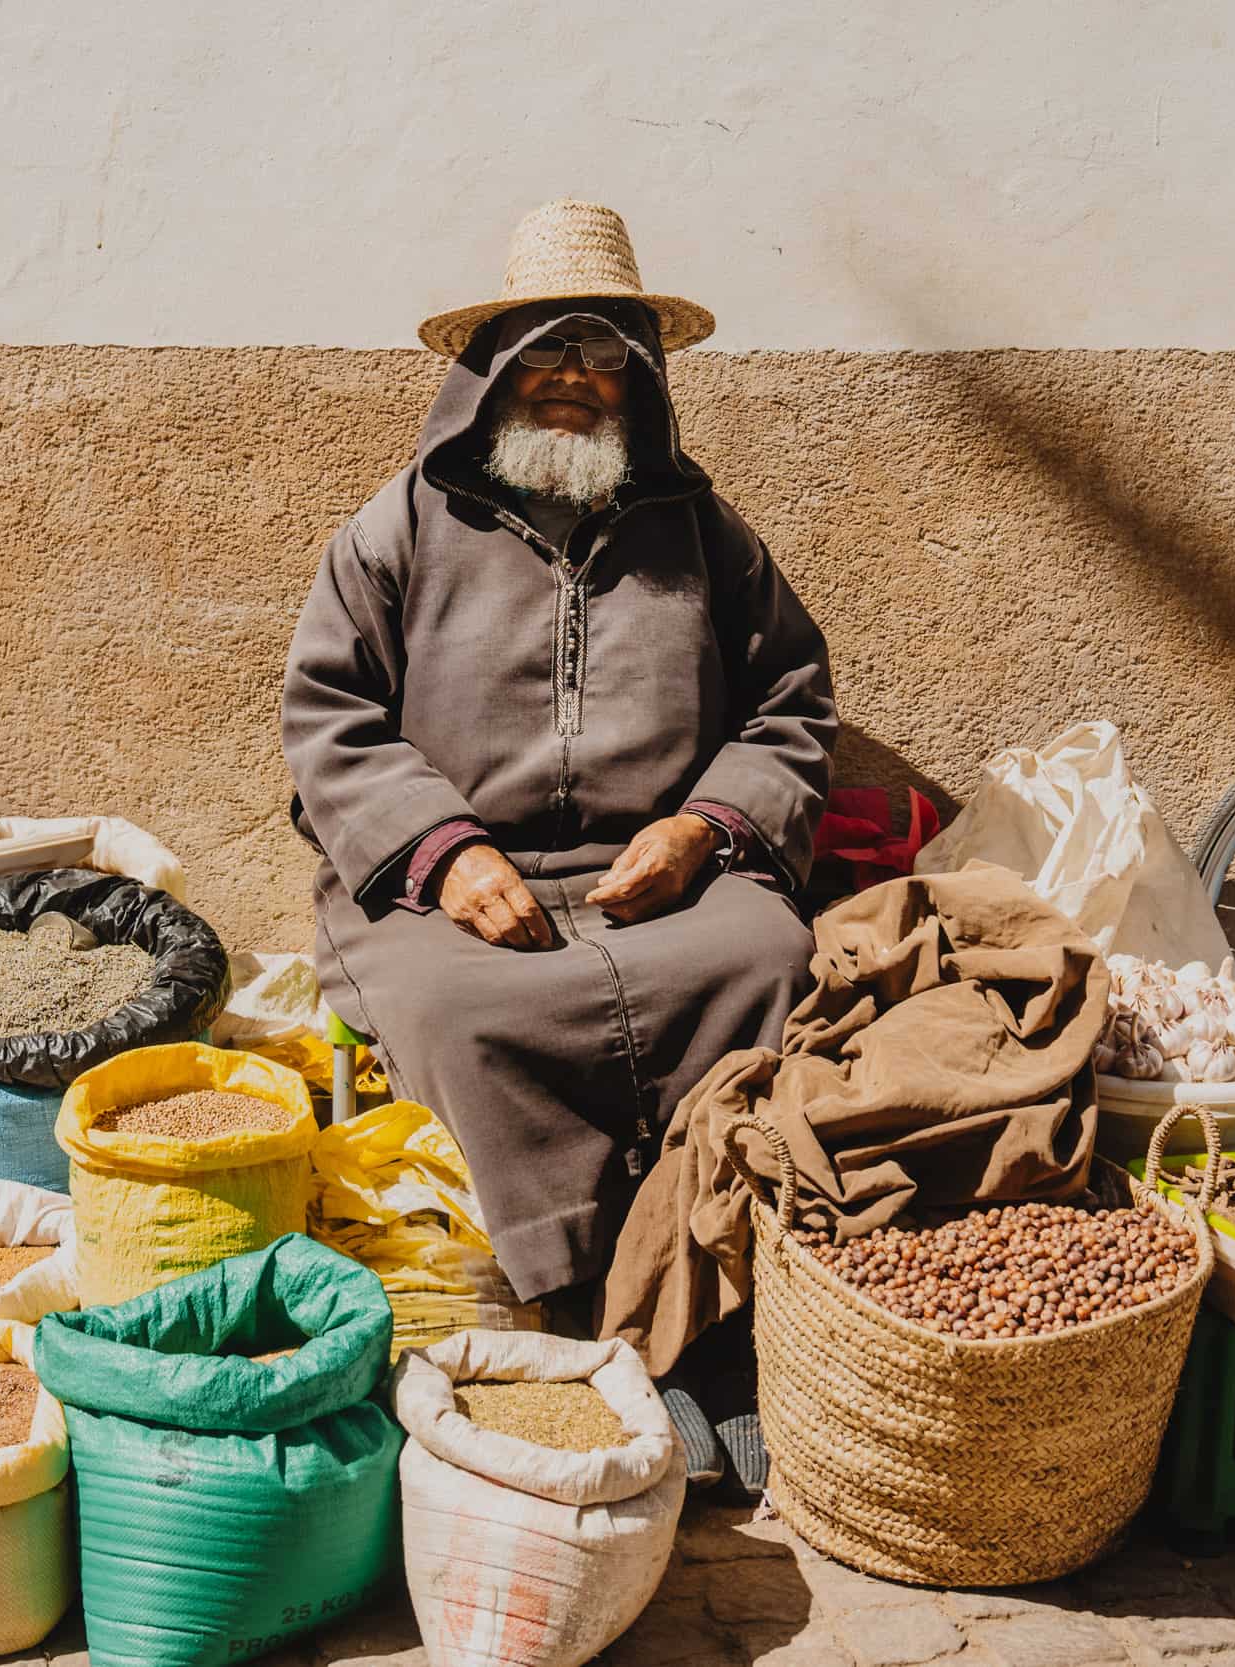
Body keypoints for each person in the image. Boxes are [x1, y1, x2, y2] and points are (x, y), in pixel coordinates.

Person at [281, 200, 836, 1467]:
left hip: (665, 884)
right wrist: (447, 850)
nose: (573, 381)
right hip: (444, 884)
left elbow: (789, 701)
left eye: (601, 358)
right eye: (546, 354)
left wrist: (706, 829)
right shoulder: (400, 528)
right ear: (491, 376)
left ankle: (708, 1320)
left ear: (638, 383)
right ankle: (583, 1322)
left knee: (764, 961)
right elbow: (329, 717)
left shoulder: (702, 533)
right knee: (465, 1014)